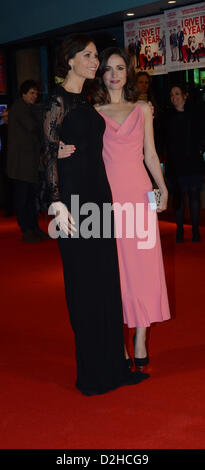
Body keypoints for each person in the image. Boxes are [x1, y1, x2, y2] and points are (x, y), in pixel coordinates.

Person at [43, 34, 149, 396]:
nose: (94, 62)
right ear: (69, 60)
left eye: (95, 57)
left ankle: (115, 367)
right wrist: (55, 202)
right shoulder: (56, 100)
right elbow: (44, 153)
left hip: (100, 201)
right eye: (88, 56)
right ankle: (91, 373)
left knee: (106, 284)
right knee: (84, 287)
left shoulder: (86, 101)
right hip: (72, 205)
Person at [58, 47, 171, 369]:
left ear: (128, 73)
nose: (114, 74)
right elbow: (78, 148)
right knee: (113, 273)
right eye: (108, 68)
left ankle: (140, 337)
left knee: (143, 269)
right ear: (101, 74)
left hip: (138, 195)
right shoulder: (92, 111)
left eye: (120, 68)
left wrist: (161, 187)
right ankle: (117, 342)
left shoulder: (142, 109)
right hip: (106, 201)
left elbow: (150, 154)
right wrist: (58, 150)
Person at [162, 85, 204, 243]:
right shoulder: (167, 117)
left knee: (194, 196)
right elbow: (164, 141)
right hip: (175, 164)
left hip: (193, 162)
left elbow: (201, 134)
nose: (174, 97)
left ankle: (195, 231)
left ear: (185, 96)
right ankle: (179, 231)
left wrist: (200, 148)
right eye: (172, 95)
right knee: (178, 199)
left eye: (177, 94)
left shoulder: (196, 114)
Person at [7, 80, 48, 242]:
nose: (35, 96)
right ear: (23, 93)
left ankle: (33, 228)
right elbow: (32, 126)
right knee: (24, 198)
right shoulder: (20, 108)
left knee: (30, 197)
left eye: (36, 93)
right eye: (32, 93)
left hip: (27, 162)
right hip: (21, 163)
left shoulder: (25, 108)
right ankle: (26, 229)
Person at [0, 108, 14, 216]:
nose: (5, 118)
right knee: (7, 185)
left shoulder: (16, 128)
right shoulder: (2, 128)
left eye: (6, 116)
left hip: (15, 160)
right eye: (3, 117)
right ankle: (9, 209)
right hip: (5, 160)